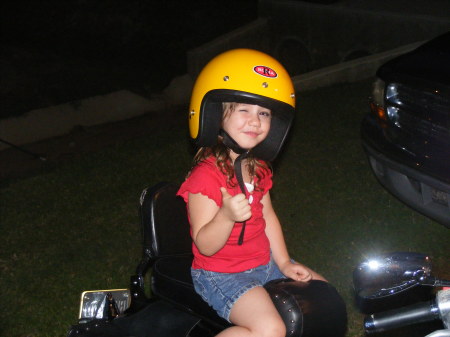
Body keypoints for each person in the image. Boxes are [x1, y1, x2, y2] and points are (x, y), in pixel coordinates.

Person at [177, 49, 326, 337]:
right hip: (222, 274)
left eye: (264, 113)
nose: (255, 121)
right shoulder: (204, 177)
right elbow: (205, 245)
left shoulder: (257, 168)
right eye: (243, 109)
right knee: (270, 329)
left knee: (322, 294)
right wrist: (226, 216)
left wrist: (283, 263)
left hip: (264, 264)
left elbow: (268, 216)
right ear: (214, 114)